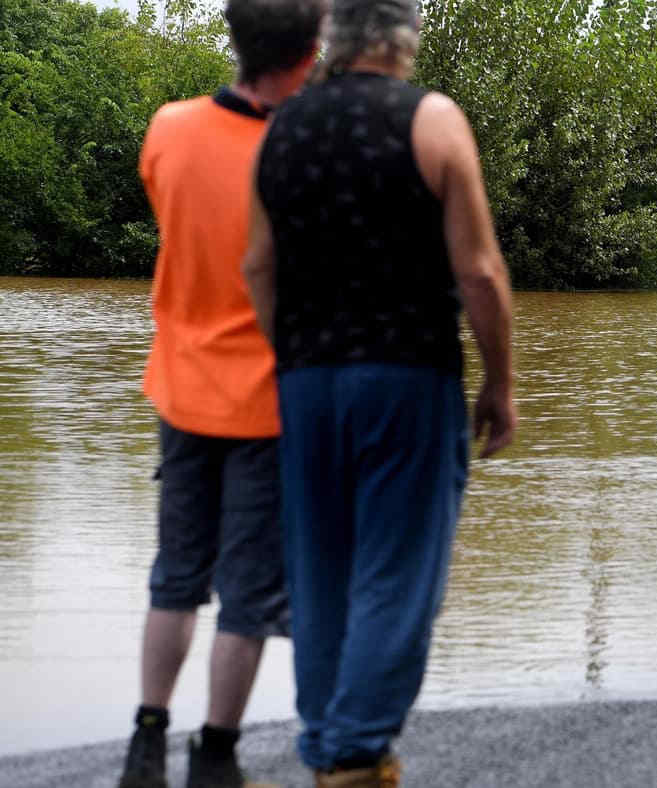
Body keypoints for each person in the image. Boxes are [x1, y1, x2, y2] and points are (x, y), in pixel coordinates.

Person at [242, 0, 517, 782]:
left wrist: (291, 356)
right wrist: (501, 383)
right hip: (407, 377)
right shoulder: (432, 121)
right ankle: (352, 754)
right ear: (406, 36)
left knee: (320, 573)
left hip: (307, 382)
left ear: (334, 36)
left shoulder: (282, 131)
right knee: (397, 573)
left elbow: (258, 267)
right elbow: (481, 273)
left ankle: (330, 739)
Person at [122, 1, 327, 786]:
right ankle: (216, 751)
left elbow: (175, 225)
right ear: (308, 55)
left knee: (175, 574)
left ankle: (147, 736)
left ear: (236, 42)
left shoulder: (168, 128)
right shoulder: (300, 147)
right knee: (247, 594)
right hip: (268, 402)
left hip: (179, 387)